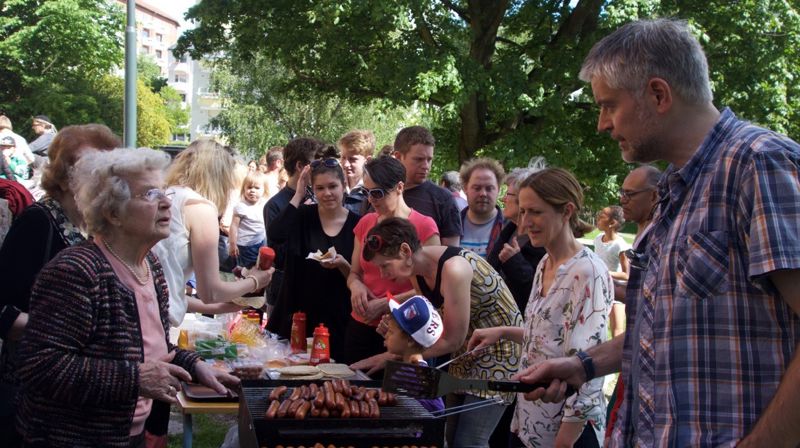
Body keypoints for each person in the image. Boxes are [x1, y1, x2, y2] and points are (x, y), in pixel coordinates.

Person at [515, 19, 800, 448]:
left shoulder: (759, 164)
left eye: (609, 105)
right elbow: (665, 329)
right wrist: (583, 365)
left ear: (658, 94)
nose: (602, 124)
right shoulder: (673, 189)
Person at [14, 148, 239, 447]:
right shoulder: (76, 271)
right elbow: (42, 366)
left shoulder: (150, 266)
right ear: (112, 212)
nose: (166, 201)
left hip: (128, 434)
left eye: (163, 191)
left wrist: (196, 366)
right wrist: (135, 378)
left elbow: (152, 347)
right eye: (149, 194)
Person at [470, 168, 613, 448]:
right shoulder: (545, 263)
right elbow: (549, 337)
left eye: (535, 212)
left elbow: (590, 368)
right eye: (522, 212)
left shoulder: (587, 272)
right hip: (529, 422)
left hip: (566, 432)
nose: (524, 224)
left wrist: (564, 441)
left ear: (566, 211)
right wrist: (503, 332)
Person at [0, 124, 120, 447]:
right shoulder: (38, 223)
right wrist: (59, 332)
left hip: (83, 392)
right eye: (90, 167)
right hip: (35, 397)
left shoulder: (100, 229)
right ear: (65, 176)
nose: (103, 177)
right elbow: (2, 310)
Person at [355, 217, 522, 448]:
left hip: (499, 352)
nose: (383, 275)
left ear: (405, 251)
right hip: (467, 351)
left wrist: (393, 355)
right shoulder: (417, 270)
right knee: (447, 437)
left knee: (469, 442)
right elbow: (431, 314)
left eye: (385, 265)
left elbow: (452, 339)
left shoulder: (454, 269)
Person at [153, 139, 274, 326]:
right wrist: (255, 281)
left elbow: (168, 293)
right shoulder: (200, 207)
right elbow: (211, 292)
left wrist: (222, 307)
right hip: (153, 325)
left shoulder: (167, 195)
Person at [345, 156, 440, 366]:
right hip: (361, 323)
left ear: (399, 187)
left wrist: (387, 304)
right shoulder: (365, 223)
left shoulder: (424, 225)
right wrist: (357, 286)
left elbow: (432, 288)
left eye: (377, 192)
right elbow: (354, 273)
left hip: (405, 331)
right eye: (366, 192)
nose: (371, 199)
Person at [266, 153, 359, 362]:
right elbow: (275, 234)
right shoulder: (303, 216)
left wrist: (344, 265)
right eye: (320, 188)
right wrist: (298, 194)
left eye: (332, 186)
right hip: (299, 315)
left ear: (343, 185)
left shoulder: (357, 224)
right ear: (312, 190)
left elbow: (361, 276)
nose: (327, 193)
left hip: (338, 317)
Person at [263, 138, 326, 311]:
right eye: (316, 164)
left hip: (312, 287)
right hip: (283, 291)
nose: (321, 168)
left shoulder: (319, 197)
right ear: (301, 166)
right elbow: (278, 255)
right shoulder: (275, 205)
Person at [486, 167, 546, 311]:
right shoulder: (509, 227)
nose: (503, 199)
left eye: (508, 194)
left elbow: (538, 292)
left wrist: (514, 261)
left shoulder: (542, 239)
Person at [392, 126, 462, 246]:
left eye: (429, 160)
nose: (426, 166)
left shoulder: (444, 199)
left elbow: (450, 255)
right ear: (398, 157)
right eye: (418, 159)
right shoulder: (379, 193)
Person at [384, 295, 445, 413]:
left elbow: (438, 407)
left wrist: (406, 400)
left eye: (391, 332)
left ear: (410, 341)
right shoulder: (407, 366)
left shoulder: (418, 372)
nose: (386, 335)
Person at [459, 157, 505, 258]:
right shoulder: (452, 224)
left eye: (489, 188)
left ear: (498, 189)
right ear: (465, 188)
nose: (483, 194)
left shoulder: (509, 227)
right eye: (477, 188)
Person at [228, 170, 268, 268]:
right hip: (246, 245)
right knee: (248, 267)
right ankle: (243, 278)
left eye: (257, 188)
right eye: (249, 187)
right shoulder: (241, 206)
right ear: (244, 189)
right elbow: (233, 226)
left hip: (260, 241)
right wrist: (233, 243)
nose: (252, 190)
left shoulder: (264, 203)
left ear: (264, 190)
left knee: (259, 265)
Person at [337, 129, 374, 214]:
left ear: (367, 160)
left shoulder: (371, 193)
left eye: (352, 159)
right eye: (343, 158)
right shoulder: (335, 185)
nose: (346, 164)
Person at [619, 165, 661, 238]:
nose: (622, 200)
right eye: (622, 193)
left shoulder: (660, 238)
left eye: (629, 194)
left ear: (654, 196)